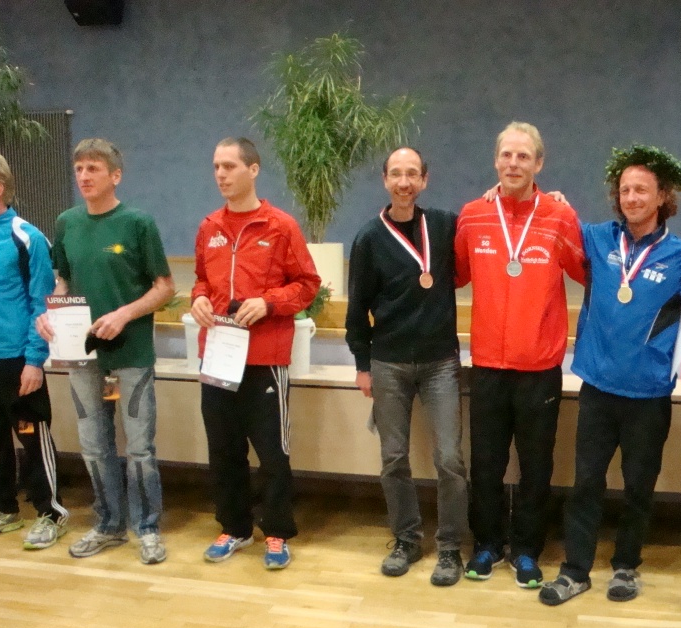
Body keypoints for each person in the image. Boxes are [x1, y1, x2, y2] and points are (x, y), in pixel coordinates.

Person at [538, 144, 681, 605]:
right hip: (598, 386)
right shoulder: (597, 239)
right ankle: (575, 570)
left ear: (662, 196)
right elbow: (551, 218)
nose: (631, 198)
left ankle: (627, 565)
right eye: (625, 190)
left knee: (638, 487)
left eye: (641, 190)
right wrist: (544, 197)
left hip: (649, 393)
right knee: (586, 483)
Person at [455, 121, 585, 588]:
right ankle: (487, 545)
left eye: (523, 156)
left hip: (539, 368)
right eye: (506, 155)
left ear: (539, 163)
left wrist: (570, 211)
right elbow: (454, 274)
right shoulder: (473, 216)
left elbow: (587, 270)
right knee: (485, 464)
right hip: (487, 365)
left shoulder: (559, 217)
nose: (514, 163)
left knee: (536, 466)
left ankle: (528, 549)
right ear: (495, 161)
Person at [37, 138, 174, 564]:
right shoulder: (66, 223)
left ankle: (147, 528)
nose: (83, 176)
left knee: (139, 447)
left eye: (93, 168)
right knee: (94, 445)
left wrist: (124, 314)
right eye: (79, 168)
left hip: (131, 353)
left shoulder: (138, 223)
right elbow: (63, 280)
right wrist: (51, 312)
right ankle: (108, 524)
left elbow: (165, 287)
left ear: (115, 176)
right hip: (82, 354)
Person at [191, 137, 320, 571]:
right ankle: (234, 527)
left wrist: (268, 302)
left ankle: (277, 530)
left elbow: (307, 284)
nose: (221, 174)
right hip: (217, 357)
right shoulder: (209, 226)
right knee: (223, 449)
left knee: (272, 453)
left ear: (253, 169)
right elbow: (201, 280)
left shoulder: (280, 226)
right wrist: (198, 298)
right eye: (216, 166)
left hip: (265, 358)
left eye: (229, 166)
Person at [345, 147, 469, 586]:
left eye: (412, 174)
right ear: (385, 180)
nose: (404, 182)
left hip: (440, 363)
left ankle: (450, 546)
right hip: (388, 363)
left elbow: (486, 223)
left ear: (424, 180)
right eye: (396, 174)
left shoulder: (445, 225)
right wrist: (362, 365)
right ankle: (406, 539)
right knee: (394, 458)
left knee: (450, 458)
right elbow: (357, 309)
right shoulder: (368, 238)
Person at [0, 151, 70, 549]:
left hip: (17, 359)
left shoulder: (27, 237)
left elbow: (42, 303)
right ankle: (1, 507)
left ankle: (51, 512)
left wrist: (34, 360)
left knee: (32, 437)